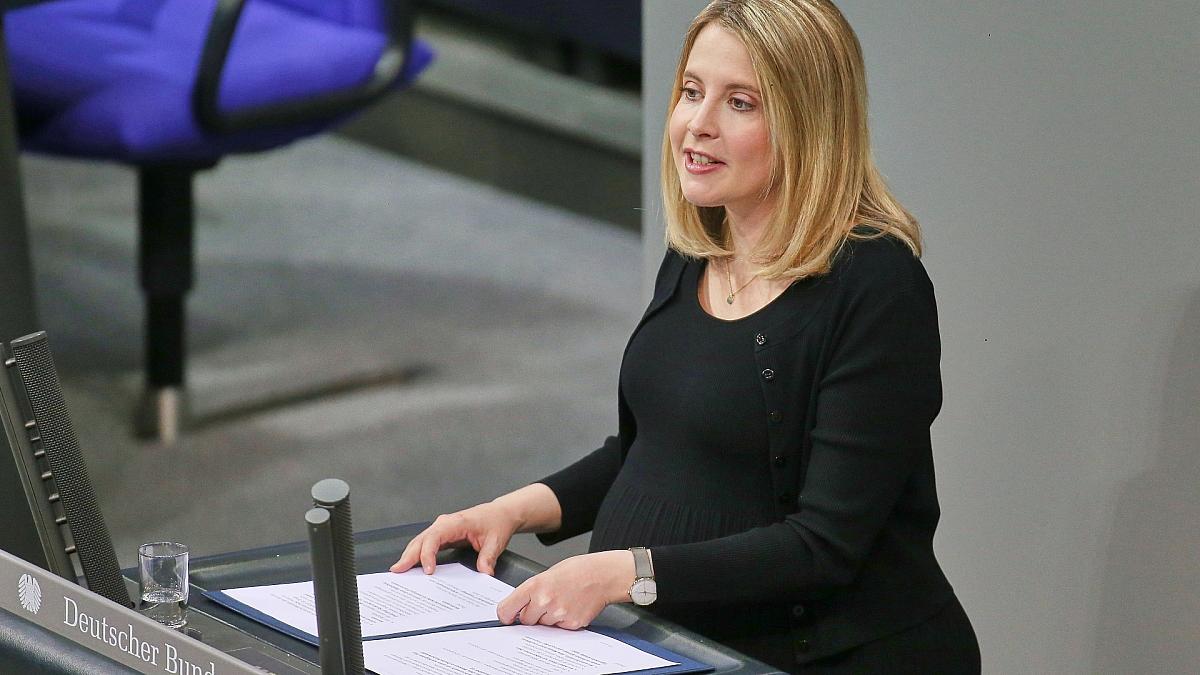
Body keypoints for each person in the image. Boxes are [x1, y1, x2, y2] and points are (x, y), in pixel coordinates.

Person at [391, 0, 981, 672]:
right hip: (683, 644)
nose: (698, 124)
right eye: (692, 92)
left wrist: (624, 574)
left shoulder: (876, 286)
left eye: (740, 103)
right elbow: (655, 450)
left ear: (808, 124)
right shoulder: (701, 248)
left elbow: (824, 543)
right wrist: (508, 511)